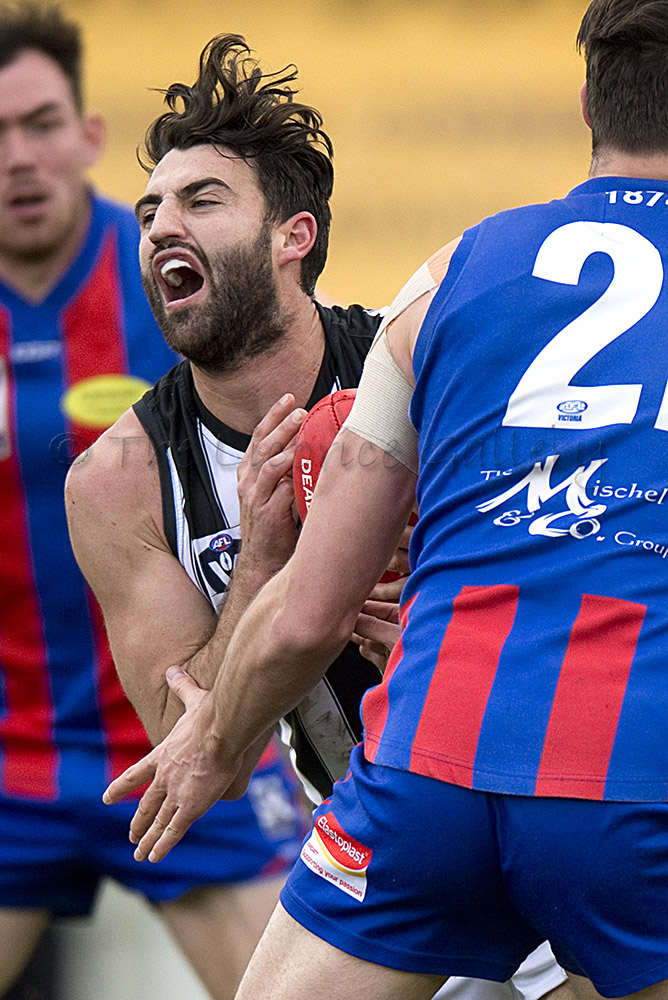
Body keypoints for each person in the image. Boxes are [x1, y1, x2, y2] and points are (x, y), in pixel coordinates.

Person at [95, 1, 668, 999]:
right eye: (148, 212)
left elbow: (304, 618)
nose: (164, 228)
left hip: (423, 783)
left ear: (586, 102)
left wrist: (217, 737)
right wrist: (260, 566)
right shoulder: (120, 474)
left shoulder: (445, 282)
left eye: (202, 200)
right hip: (614, 777)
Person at [0, 7, 308, 1000]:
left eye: (41, 124)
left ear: (86, 135)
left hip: (191, 727)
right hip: (7, 760)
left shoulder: (186, 275)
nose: (18, 158)